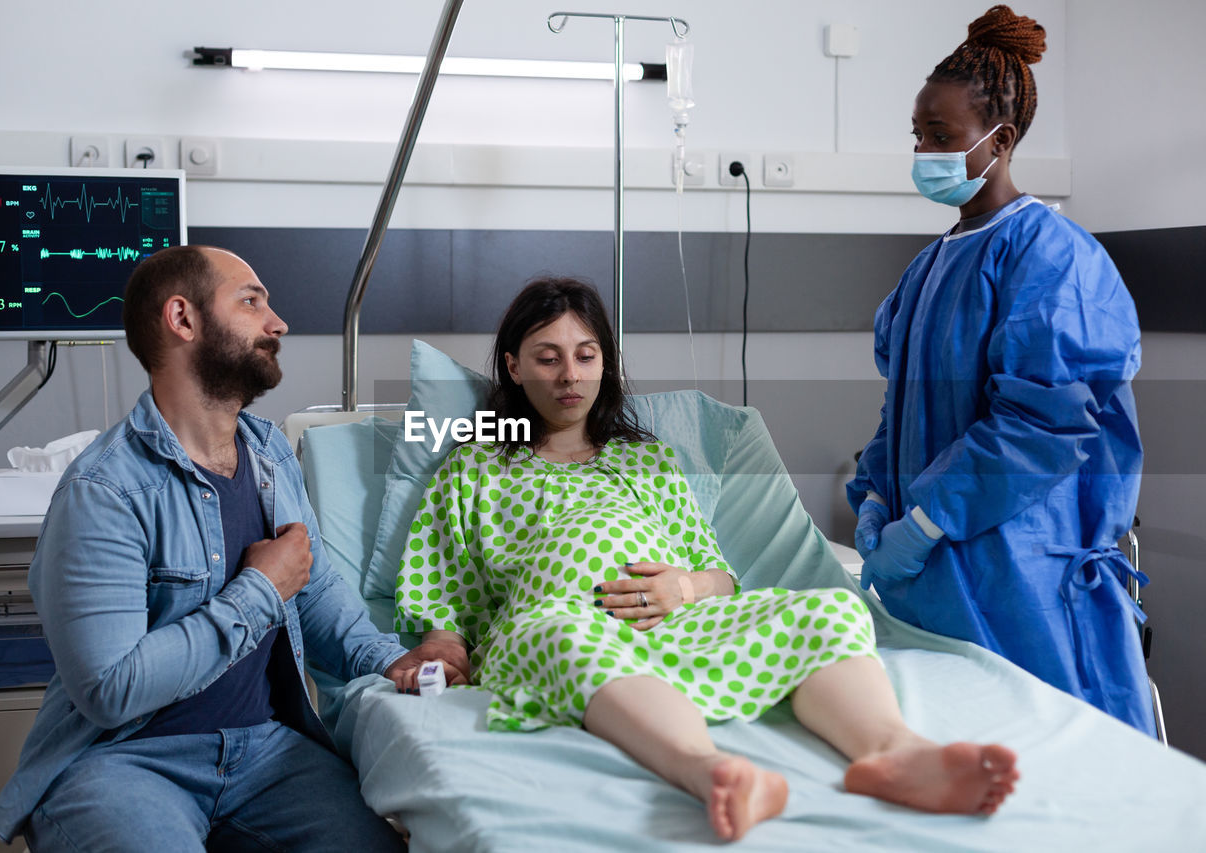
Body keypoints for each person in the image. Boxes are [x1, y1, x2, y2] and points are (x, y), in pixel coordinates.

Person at [392, 277, 1018, 842]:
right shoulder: (475, 467)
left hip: (679, 623)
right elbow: (447, 591)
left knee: (828, 612)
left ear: (605, 362)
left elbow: (719, 575)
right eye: (547, 359)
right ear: (513, 367)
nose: (570, 377)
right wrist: (442, 651)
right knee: (566, 641)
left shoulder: (646, 460)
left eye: (585, 356)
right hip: (556, 622)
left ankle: (895, 752)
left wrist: (685, 590)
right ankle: (712, 771)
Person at [0, 245, 468, 850]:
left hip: (265, 751)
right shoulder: (104, 491)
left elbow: (312, 589)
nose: (278, 323)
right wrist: (258, 591)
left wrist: (388, 658)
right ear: (183, 320)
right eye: (252, 301)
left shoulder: (269, 455)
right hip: (124, 761)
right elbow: (110, 690)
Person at [847, 6, 1153, 736]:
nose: (923, 149)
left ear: (1000, 140)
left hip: (1025, 583)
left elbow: (1040, 427)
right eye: (918, 135)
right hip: (937, 583)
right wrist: (872, 497)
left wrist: (924, 520)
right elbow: (904, 410)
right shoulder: (929, 267)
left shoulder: (1056, 259)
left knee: (1060, 768)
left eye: (941, 137)